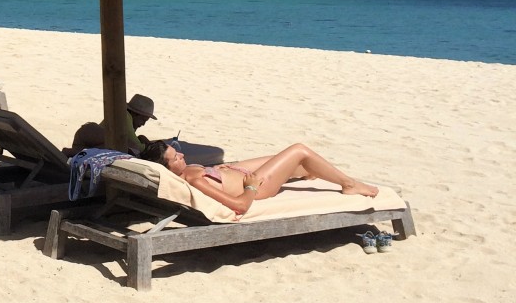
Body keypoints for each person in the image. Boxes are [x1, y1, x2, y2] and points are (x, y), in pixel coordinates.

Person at [140, 140, 378, 217]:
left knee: (294, 163)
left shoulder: (186, 171)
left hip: (235, 172)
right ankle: (349, 184)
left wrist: (218, 169)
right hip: (254, 187)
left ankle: (308, 172)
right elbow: (240, 206)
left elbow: (207, 174)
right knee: (299, 151)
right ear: (168, 168)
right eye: (176, 157)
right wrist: (251, 187)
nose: (182, 154)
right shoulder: (193, 181)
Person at [64, 93, 158, 157]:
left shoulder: (125, 117)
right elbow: (137, 146)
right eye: (142, 119)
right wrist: (148, 146)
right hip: (86, 141)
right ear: (135, 113)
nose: (143, 124)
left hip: (90, 143)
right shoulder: (124, 117)